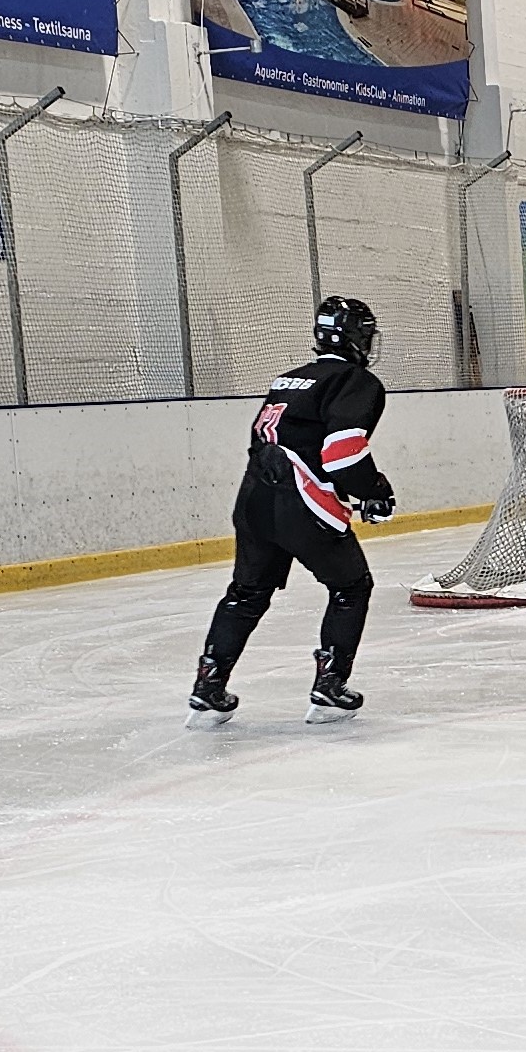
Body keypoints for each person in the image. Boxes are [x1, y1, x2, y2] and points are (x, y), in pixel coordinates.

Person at [185, 296, 391, 728]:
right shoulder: (355, 380)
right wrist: (372, 490)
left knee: (246, 593)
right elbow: (342, 453)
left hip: (254, 498)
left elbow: (265, 441)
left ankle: (208, 684)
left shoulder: (287, 379)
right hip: (300, 498)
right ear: (356, 337)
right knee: (351, 586)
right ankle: (330, 686)